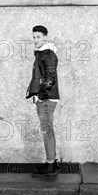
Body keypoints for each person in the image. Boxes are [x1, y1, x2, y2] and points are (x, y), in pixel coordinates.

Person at [25, 25, 61, 177]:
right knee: (47, 130)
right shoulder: (41, 53)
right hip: (45, 98)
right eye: (34, 37)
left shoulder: (48, 54)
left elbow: (50, 79)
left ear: (45, 37)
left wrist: (41, 96)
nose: (35, 40)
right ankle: (51, 162)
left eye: (38, 37)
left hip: (46, 99)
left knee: (47, 131)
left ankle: (50, 166)